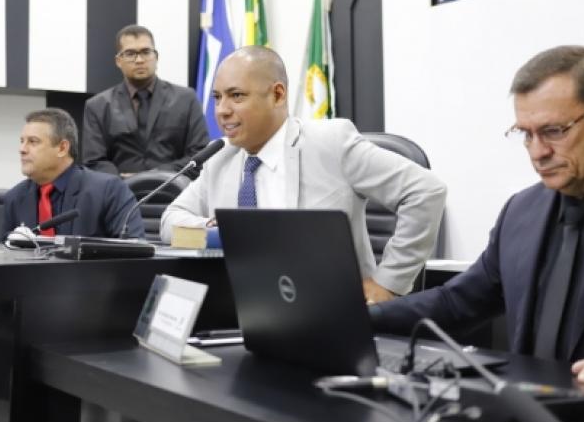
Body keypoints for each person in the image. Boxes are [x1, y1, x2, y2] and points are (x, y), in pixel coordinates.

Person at [371, 45, 584, 389]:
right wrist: (361, 317)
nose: (538, 152)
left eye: (554, 131)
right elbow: (456, 303)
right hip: (528, 412)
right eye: (526, 134)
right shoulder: (521, 211)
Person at [160, 46, 447, 301]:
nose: (221, 110)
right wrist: (218, 232)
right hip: (243, 311)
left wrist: (388, 283)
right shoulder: (221, 157)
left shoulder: (331, 143)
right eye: (217, 97)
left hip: (328, 310)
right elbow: (170, 224)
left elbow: (426, 191)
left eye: (237, 96)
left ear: (277, 95)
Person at [82, 25, 210, 177]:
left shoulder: (186, 99)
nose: (139, 60)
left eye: (146, 52)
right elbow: (94, 161)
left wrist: (154, 176)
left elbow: (200, 154)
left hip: (175, 187)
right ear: (118, 61)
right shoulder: (98, 106)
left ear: (156, 56)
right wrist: (122, 181)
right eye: (130, 54)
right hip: (119, 189)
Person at [2, 108, 145, 239]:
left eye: (33, 142)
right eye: (22, 141)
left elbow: (134, 248)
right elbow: (3, 251)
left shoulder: (109, 190)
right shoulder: (15, 198)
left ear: (62, 148)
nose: (22, 149)